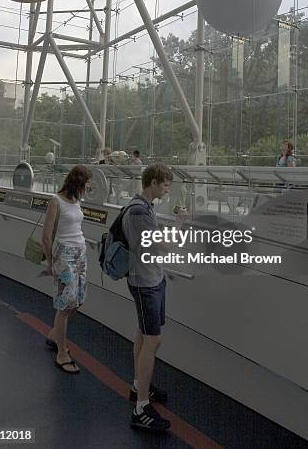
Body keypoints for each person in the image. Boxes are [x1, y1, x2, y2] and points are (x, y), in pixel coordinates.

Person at [122, 163, 186, 432]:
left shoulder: (143, 207)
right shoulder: (139, 212)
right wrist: (180, 224)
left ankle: (139, 387)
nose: (168, 189)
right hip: (145, 282)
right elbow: (165, 245)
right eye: (165, 184)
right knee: (153, 339)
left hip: (152, 279)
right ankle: (141, 409)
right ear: (153, 183)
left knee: (143, 333)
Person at [42, 165, 92, 374]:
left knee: (77, 301)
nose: (89, 187)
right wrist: (51, 262)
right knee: (65, 304)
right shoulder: (56, 201)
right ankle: (62, 353)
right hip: (64, 255)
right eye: (87, 183)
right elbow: (46, 236)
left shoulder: (77, 200)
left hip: (80, 253)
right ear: (78, 182)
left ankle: (55, 335)